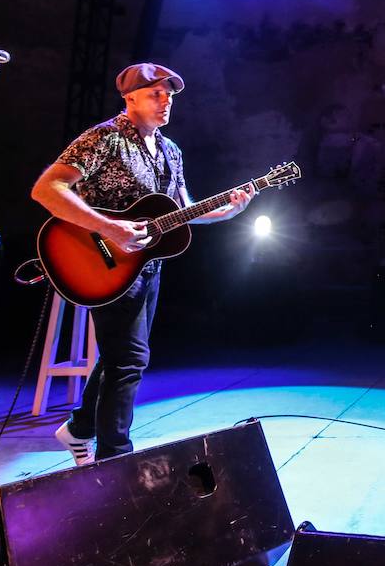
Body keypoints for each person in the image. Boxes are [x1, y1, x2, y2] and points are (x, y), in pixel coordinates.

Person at [31, 63, 252, 465]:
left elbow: (183, 209)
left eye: (170, 94)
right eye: (155, 93)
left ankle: (79, 429)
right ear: (130, 97)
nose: (166, 100)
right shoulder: (104, 139)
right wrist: (108, 227)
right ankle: (116, 459)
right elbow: (47, 189)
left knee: (122, 356)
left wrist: (226, 214)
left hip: (146, 267)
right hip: (101, 262)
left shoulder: (171, 151)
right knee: (129, 359)